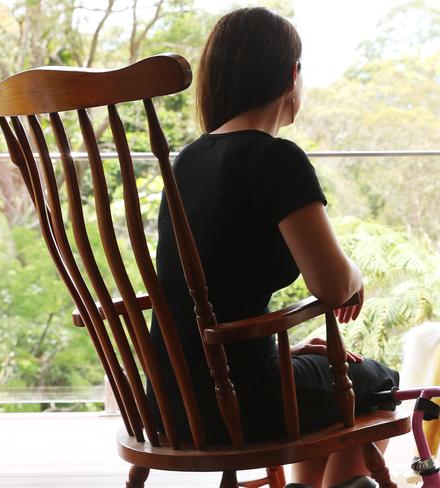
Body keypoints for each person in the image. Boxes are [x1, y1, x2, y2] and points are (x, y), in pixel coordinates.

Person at [148, 7, 399, 487]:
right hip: (240, 402)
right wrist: (357, 277)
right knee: (378, 380)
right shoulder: (276, 159)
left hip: (168, 401)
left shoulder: (189, 159)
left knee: (324, 369)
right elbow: (332, 286)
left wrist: (278, 346)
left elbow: (205, 292)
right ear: (293, 75)